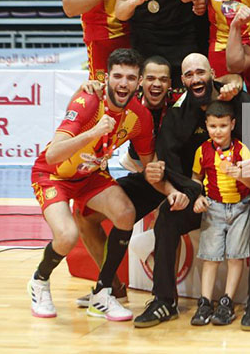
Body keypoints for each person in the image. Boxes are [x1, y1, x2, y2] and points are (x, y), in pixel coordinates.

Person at [133, 53, 250, 328]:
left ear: (212, 73)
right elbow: (168, 165)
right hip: (200, 196)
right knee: (167, 216)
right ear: (183, 80)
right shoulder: (177, 115)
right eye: (189, 75)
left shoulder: (243, 102)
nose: (195, 79)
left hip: (245, 192)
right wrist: (184, 193)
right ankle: (164, 301)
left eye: (200, 73)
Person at [27, 48, 156, 321]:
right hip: (54, 175)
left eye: (131, 78)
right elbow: (52, 154)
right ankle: (39, 281)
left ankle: (102, 292)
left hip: (90, 177)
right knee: (67, 236)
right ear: (106, 77)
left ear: (139, 82)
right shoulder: (88, 101)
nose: (123, 83)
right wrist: (94, 132)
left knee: (126, 213)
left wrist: (172, 186)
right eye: (118, 76)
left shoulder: (140, 117)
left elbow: (149, 163)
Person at [71, 55, 189, 308]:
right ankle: (111, 287)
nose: (156, 84)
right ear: (140, 82)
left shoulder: (183, 103)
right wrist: (86, 87)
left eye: (163, 79)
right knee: (84, 214)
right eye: (150, 79)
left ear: (171, 84)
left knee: (167, 217)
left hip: (182, 180)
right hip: (150, 175)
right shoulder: (128, 104)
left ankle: (165, 298)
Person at [190, 102, 250, 326]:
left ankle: (227, 302)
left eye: (222, 125)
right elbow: (196, 179)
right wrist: (196, 197)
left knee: (235, 256)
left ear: (233, 124)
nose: (217, 131)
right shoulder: (202, 151)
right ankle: (205, 301)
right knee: (210, 257)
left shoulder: (243, 150)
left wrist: (239, 174)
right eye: (212, 126)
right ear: (206, 126)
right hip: (213, 208)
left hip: (241, 208)